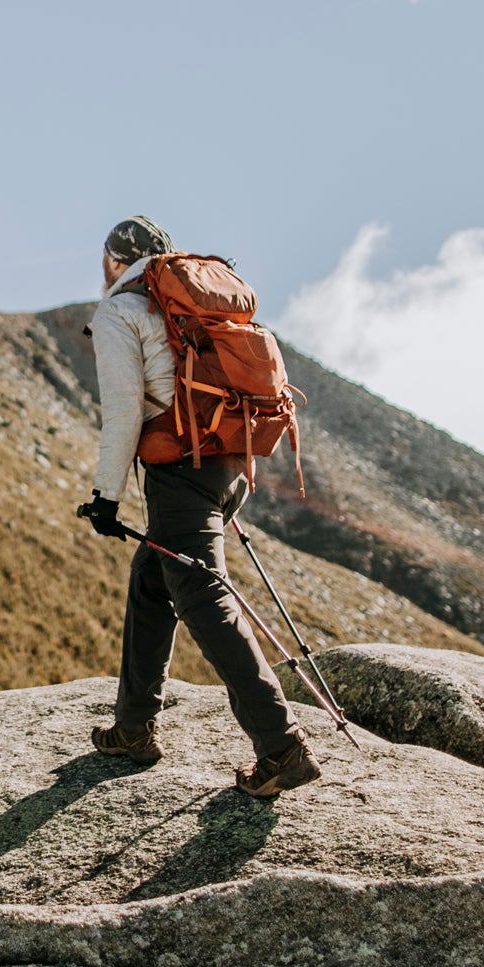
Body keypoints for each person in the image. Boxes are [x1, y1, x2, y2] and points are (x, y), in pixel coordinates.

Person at [81, 214, 320, 798]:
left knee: (203, 597)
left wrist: (105, 498)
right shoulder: (192, 304)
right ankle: (133, 727)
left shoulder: (121, 311)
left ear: (115, 260)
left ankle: (280, 746)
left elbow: (123, 411)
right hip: (233, 465)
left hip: (182, 475)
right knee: (150, 581)